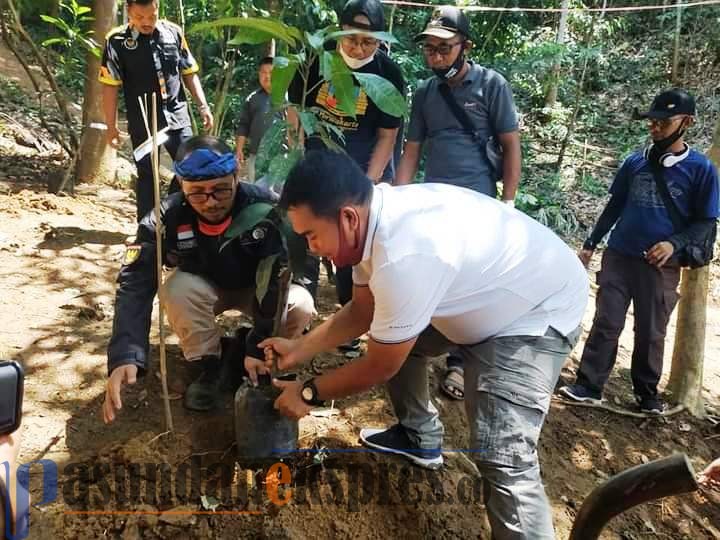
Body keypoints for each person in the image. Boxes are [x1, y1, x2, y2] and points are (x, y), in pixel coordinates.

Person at [258, 150, 588, 538]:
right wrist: (299, 349)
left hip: (534, 312)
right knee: (394, 331)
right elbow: (363, 312)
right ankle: (419, 438)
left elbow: (381, 365)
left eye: (311, 235)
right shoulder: (372, 221)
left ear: (347, 217)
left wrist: (309, 392)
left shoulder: (404, 253)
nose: (310, 248)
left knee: (503, 455)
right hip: (479, 297)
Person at [102, 135, 315, 419]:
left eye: (221, 190)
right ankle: (209, 366)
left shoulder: (265, 209)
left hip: (260, 292)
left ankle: (267, 360)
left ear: (237, 175)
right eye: (198, 193)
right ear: (181, 186)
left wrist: (258, 342)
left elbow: (281, 277)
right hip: (205, 289)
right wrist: (126, 354)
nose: (211, 202)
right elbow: (134, 282)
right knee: (176, 289)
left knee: (299, 303)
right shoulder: (166, 217)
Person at [559, 89, 719, 414]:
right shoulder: (635, 162)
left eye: (664, 122)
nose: (656, 128)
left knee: (651, 330)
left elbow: (705, 223)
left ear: (686, 122)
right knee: (606, 320)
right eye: (653, 122)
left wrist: (673, 243)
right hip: (619, 254)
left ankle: (647, 395)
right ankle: (588, 385)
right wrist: (591, 244)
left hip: (660, 266)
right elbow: (614, 206)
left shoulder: (701, 170)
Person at [395, 6, 522, 400]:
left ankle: (460, 363)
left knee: (471, 280)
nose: (435, 56)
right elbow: (412, 149)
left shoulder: (492, 85)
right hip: (434, 202)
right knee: (433, 274)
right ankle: (419, 345)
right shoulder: (426, 93)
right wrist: (400, 197)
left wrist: (509, 202)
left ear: (464, 46)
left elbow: (510, 145)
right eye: (429, 49)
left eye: (444, 48)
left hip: (478, 201)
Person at [288, 0, 405, 356]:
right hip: (316, 165)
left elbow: (388, 135)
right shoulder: (316, 60)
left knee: (351, 248)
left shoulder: (388, 75)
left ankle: (347, 326)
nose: (358, 49)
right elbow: (297, 111)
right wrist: (298, 155)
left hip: (359, 171)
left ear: (380, 42)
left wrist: (365, 185)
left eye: (368, 42)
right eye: (351, 40)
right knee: (304, 240)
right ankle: (299, 318)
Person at [99, 0, 214, 222]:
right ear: (129, 11)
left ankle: (179, 221)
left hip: (177, 116)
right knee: (147, 176)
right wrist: (111, 126)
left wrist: (203, 105)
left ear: (158, 8)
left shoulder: (174, 33)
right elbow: (109, 86)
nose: (147, 22)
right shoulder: (116, 41)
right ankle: (147, 230)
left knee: (190, 168)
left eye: (152, 16)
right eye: (140, 17)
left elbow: (189, 72)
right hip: (143, 120)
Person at [235, 57, 274, 182]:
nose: (267, 76)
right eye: (263, 72)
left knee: (283, 194)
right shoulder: (253, 98)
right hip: (256, 154)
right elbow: (243, 125)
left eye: (271, 72)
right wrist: (239, 150)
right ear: (259, 74)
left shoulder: (288, 97)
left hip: (281, 155)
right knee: (257, 190)